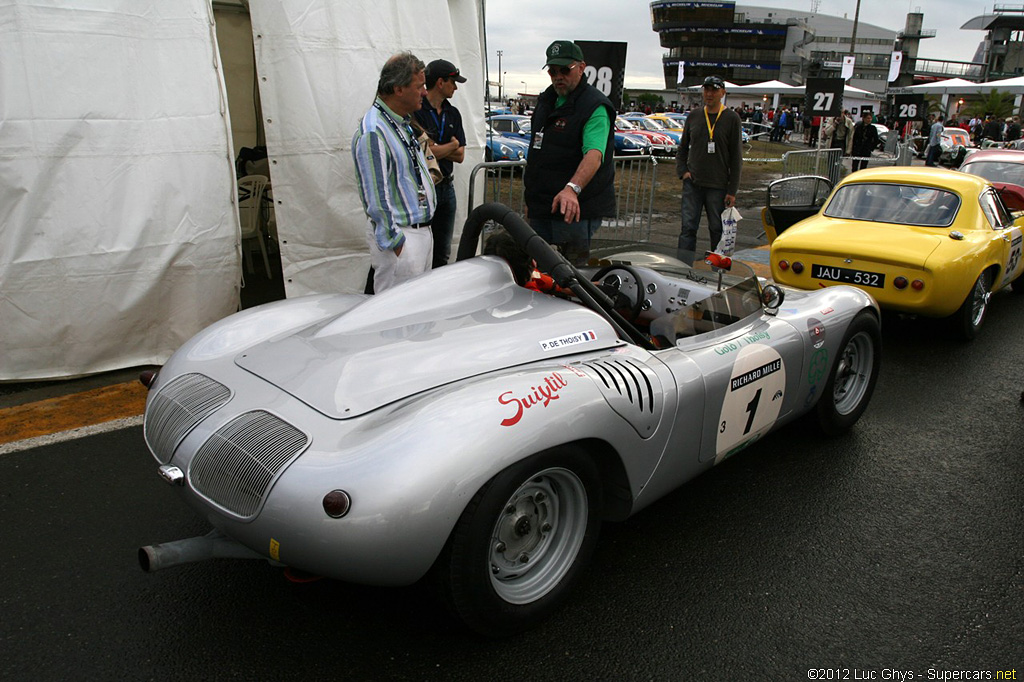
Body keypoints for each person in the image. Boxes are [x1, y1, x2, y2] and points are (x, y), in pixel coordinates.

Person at [524, 40, 616, 265]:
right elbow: (538, 150)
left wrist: (572, 189)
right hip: (541, 208)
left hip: (573, 213)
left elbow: (594, 154)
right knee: (537, 271)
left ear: (581, 68)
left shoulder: (595, 106)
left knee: (572, 276)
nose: (558, 76)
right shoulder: (547, 100)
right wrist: (532, 198)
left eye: (565, 70)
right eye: (553, 71)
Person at [352, 52, 436, 293]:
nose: (424, 93)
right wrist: (396, 244)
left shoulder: (399, 123)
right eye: (419, 86)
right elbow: (375, 198)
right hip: (403, 240)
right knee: (397, 323)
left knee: (417, 315)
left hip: (419, 235)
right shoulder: (374, 131)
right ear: (399, 89)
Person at [675, 75, 743, 263]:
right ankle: (682, 268)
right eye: (706, 90)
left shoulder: (731, 118)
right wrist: (683, 172)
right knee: (688, 228)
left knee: (717, 229)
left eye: (714, 90)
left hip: (718, 185)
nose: (709, 94)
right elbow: (683, 147)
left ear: (723, 92)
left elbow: (736, 156)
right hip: (693, 183)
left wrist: (732, 190)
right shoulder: (694, 116)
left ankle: (717, 270)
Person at [412, 58, 467, 269]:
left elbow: (461, 154)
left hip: (447, 188)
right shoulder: (416, 110)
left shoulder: (453, 113)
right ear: (440, 82)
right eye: (453, 82)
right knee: (420, 251)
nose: (455, 87)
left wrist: (436, 149)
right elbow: (421, 152)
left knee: (442, 253)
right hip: (424, 190)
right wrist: (450, 146)